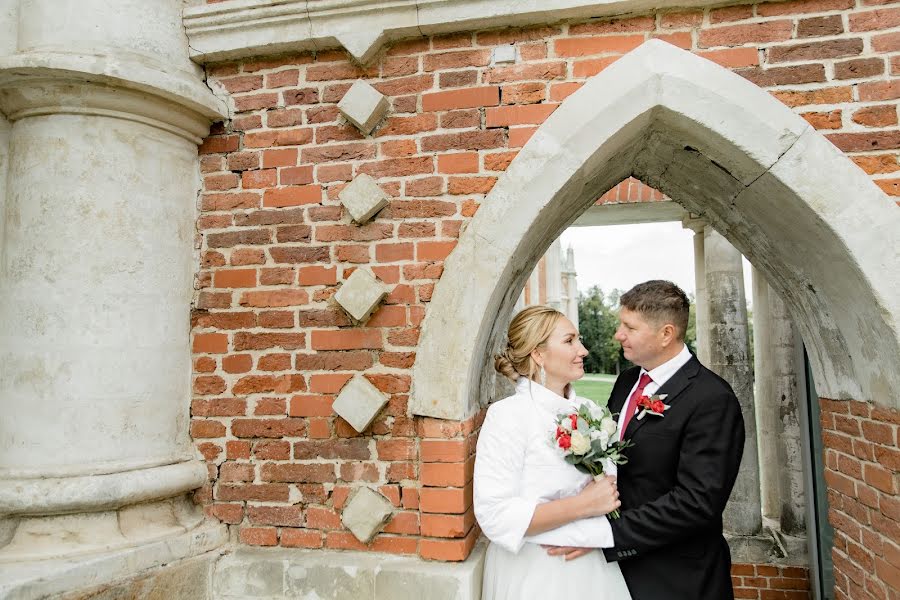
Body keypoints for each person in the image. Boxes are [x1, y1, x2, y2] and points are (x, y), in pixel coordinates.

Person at [547, 280, 745, 599]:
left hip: (676, 577)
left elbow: (696, 503)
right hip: (615, 572)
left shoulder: (711, 398)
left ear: (666, 334)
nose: (618, 334)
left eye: (629, 327)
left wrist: (605, 534)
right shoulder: (627, 381)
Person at [474, 305, 632, 600]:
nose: (583, 350)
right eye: (570, 340)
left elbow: (609, 490)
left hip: (591, 564)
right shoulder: (507, 416)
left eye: (579, 340)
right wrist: (583, 505)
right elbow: (495, 514)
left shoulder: (591, 412)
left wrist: (594, 526)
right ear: (538, 354)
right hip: (534, 571)